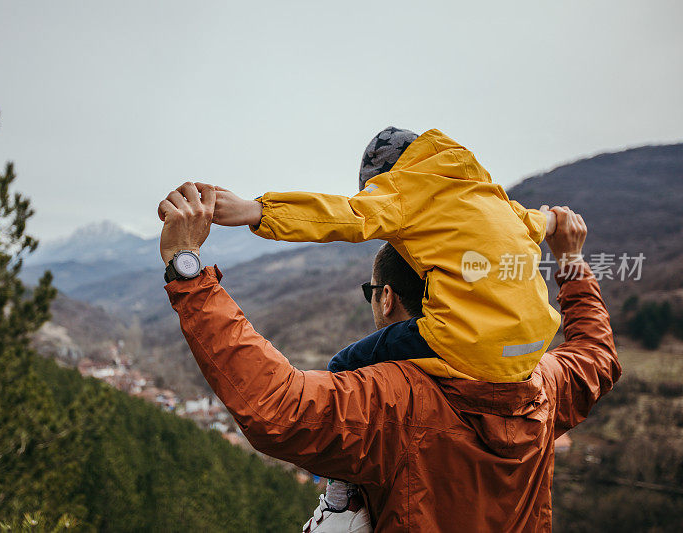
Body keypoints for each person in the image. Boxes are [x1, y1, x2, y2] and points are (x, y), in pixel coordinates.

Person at [158, 181, 620, 531]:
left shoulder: (395, 402)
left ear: (385, 299)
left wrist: (187, 268)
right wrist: (572, 262)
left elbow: (278, 405)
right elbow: (596, 353)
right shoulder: (542, 386)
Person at [204, 127, 563, 524]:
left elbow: (346, 215)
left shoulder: (410, 192)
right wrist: (555, 220)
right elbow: (536, 223)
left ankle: (341, 491)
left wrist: (257, 211)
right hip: (528, 349)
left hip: (466, 344)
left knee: (344, 365)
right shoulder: (490, 197)